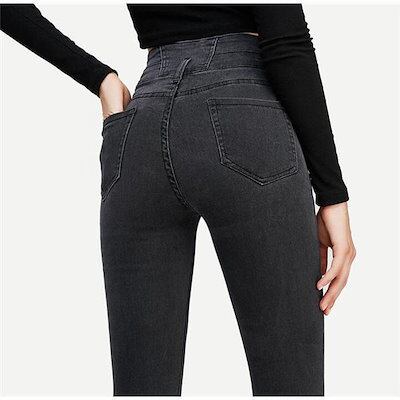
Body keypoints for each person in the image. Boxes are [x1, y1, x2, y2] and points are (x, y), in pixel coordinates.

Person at [1, 4, 356, 396]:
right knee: (289, 386)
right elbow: (285, 41)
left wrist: (99, 78)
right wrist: (332, 194)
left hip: (141, 123)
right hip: (245, 112)